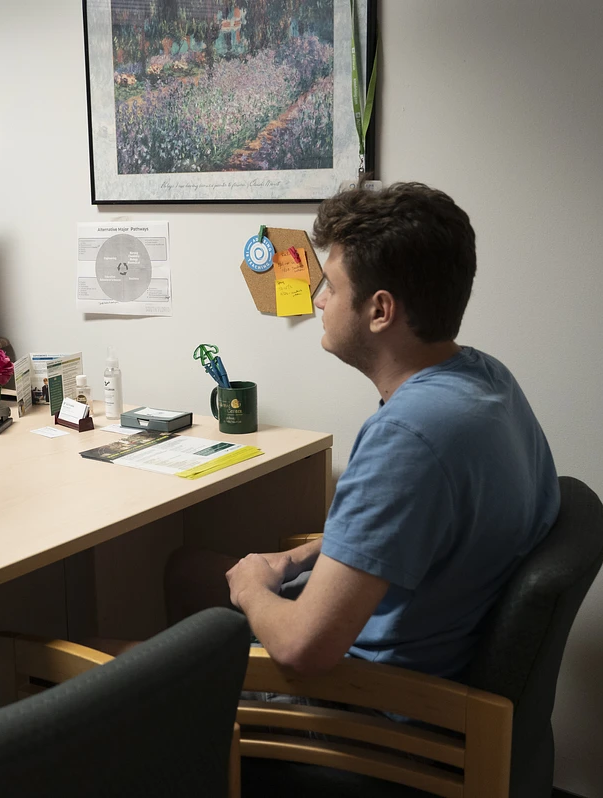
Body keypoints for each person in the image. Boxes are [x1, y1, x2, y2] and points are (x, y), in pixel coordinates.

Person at [167, 182, 560, 681]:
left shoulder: (408, 436)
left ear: (380, 310)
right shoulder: (486, 379)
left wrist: (250, 588)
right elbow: (405, 530)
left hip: (374, 707)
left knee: (103, 668)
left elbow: (301, 648)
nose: (318, 301)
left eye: (331, 285)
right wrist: (300, 555)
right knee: (184, 569)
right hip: (427, 637)